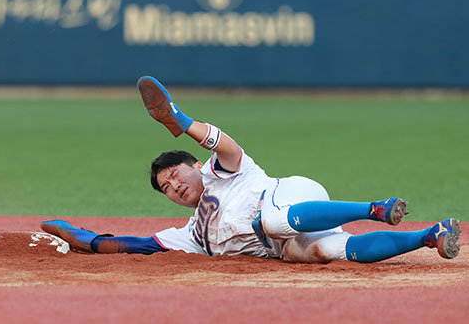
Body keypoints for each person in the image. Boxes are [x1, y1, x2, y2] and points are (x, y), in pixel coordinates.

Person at [41, 76, 462, 263]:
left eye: (175, 175)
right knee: (328, 252)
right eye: (166, 189)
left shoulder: (219, 173)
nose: (175, 187)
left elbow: (226, 145)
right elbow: (133, 245)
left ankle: (375, 208)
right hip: (283, 243)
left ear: (192, 166)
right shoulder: (190, 234)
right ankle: (430, 235)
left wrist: (181, 123)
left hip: (291, 198)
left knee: (275, 220)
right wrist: (83, 238)